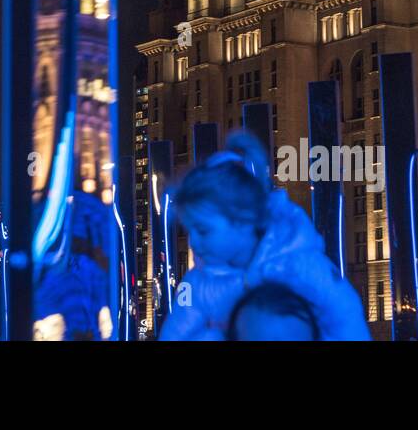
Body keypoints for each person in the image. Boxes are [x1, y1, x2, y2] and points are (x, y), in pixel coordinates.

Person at [158, 132, 369, 341]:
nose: (193, 242)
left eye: (203, 230)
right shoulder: (198, 283)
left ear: (243, 220)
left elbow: (344, 313)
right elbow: (177, 331)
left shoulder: (300, 263)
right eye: (189, 231)